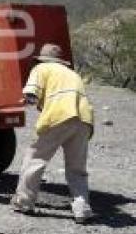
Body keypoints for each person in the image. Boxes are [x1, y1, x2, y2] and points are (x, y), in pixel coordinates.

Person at [11, 43, 95, 223]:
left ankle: (24, 201)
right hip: (84, 119)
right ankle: (82, 209)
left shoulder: (42, 68)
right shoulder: (72, 74)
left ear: (43, 59)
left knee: (35, 158)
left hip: (59, 116)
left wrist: (20, 101)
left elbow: (31, 94)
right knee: (77, 169)